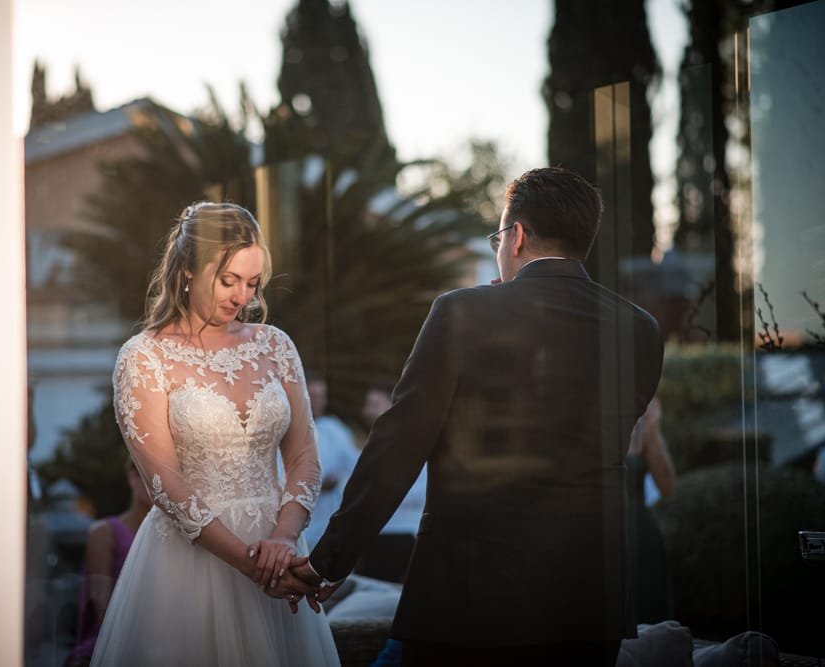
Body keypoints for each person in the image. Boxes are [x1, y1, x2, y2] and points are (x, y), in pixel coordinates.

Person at [287, 168, 664, 666]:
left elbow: (397, 447)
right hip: (588, 598)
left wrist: (327, 562)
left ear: (518, 235)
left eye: (497, 237)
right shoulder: (640, 329)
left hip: (471, 594)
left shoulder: (462, 313)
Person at [90, 202, 339, 666]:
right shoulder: (144, 357)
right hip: (189, 563)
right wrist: (255, 567)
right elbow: (165, 484)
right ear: (187, 269)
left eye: (252, 283)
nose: (242, 296)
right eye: (229, 281)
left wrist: (284, 542)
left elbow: (305, 455)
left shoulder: (276, 345)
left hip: (276, 544)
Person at [65, 459, 152, 667]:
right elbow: (101, 609)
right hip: (114, 638)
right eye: (148, 476)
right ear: (132, 478)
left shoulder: (175, 539)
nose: (156, 485)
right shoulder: (104, 533)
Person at [354, 384, 426, 583]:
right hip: (373, 539)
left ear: (393, 406)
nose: (366, 411)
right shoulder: (370, 445)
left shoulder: (413, 443)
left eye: (374, 404)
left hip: (402, 540)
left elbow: (423, 490)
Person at [626, 397, 676, 623]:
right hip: (601, 537)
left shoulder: (640, 417)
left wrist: (652, 429)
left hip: (642, 538)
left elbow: (668, 486)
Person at [302, 371, 360, 549]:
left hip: (329, 525)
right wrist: (318, 486)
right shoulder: (289, 431)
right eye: (313, 396)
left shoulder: (334, 428)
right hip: (301, 529)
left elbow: (356, 465)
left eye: (321, 396)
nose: (318, 401)